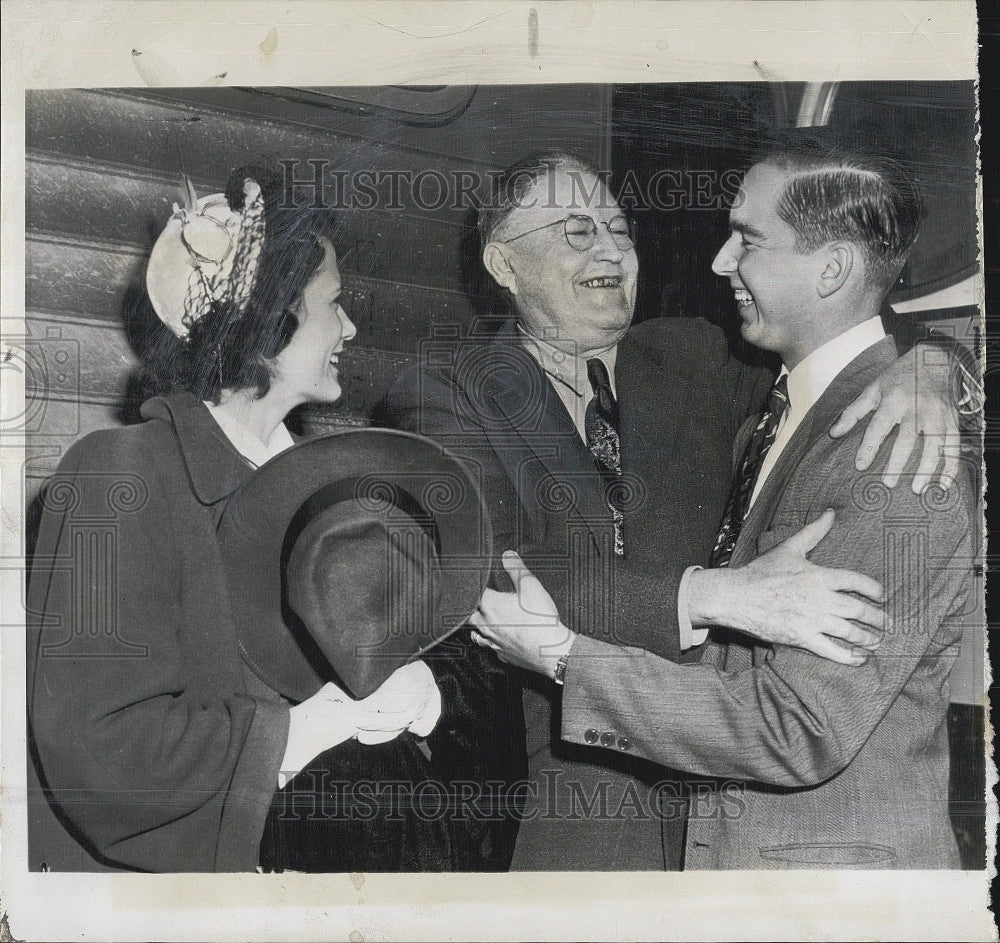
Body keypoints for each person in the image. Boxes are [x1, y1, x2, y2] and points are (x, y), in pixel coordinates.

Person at [379, 148, 969, 870]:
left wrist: (931, 366)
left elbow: (835, 334)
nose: (610, 249)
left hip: (733, 810)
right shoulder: (443, 393)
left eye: (619, 228)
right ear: (503, 264)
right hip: (571, 802)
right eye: (575, 230)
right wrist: (713, 595)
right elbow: (497, 585)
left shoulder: (696, 356)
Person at [25, 164, 513, 872]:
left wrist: (426, 693)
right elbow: (98, 746)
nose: (349, 325)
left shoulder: (328, 491)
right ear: (269, 320)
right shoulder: (115, 474)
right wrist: (294, 732)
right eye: (334, 303)